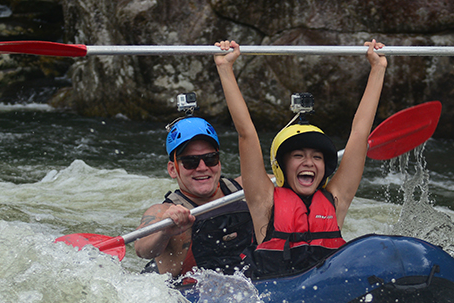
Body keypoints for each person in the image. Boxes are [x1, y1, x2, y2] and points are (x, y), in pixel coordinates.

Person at [214, 39, 387, 278]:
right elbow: (246, 134)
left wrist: (378, 69)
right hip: (273, 300)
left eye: (317, 157)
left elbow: (359, 134)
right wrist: (225, 68)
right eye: (298, 156)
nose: (309, 162)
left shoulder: (335, 200)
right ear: (282, 166)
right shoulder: (264, 201)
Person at [133, 116, 254, 277]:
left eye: (210, 159)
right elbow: (142, 249)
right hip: (188, 293)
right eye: (190, 162)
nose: (202, 167)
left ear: (219, 162)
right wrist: (165, 231)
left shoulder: (247, 189)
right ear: (173, 169)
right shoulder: (163, 212)